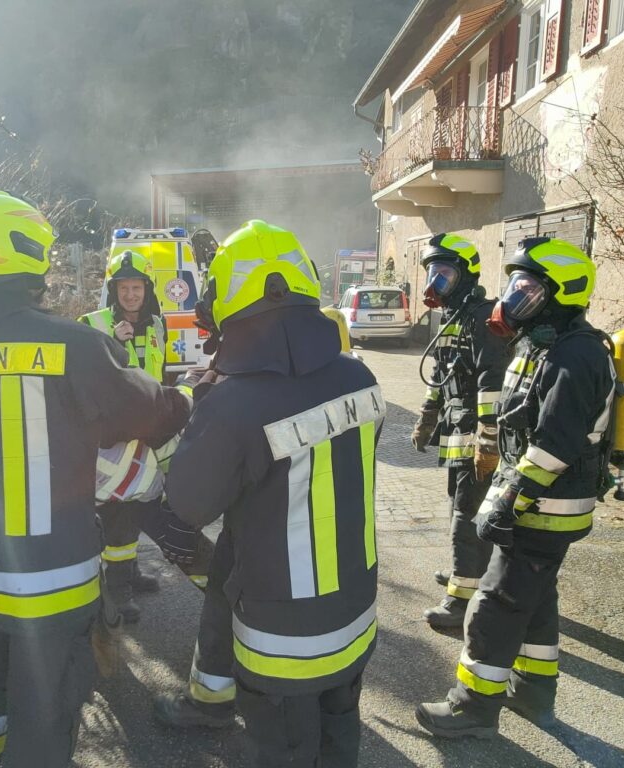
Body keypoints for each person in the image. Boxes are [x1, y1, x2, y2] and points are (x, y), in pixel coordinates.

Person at [0, 189, 191, 768]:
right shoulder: (73, 344)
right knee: (44, 712)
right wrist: (188, 399)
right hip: (57, 579)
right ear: (23, 251)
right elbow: (152, 414)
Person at [160, 219, 384, 766]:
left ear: (228, 300)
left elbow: (187, 505)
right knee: (338, 741)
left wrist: (201, 404)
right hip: (354, 613)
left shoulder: (233, 403)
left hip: (283, 642)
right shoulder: (360, 378)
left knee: (284, 751)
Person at [416, 238, 615, 738]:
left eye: (528, 289)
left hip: (545, 505)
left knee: (496, 603)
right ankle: (531, 691)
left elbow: (554, 444)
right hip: (541, 503)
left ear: (562, 294)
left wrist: (507, 499)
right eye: (515, 287)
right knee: (535, 600)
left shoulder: (576, 355)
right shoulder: (543, 345)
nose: (514, 298)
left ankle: (472, 709)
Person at [79, 250, 206, 621]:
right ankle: (117, 591)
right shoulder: (93, 324)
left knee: (138, 506)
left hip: (147, 432)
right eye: (123, 288)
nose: (130, 295)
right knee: (118, 511)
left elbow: (158, 372)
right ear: (113, 290)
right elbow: (84, 380)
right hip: (113, 438)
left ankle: (130, 573)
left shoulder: (157, 324)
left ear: (147, 289)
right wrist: (112, 342)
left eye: (136, 288)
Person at [411, 234, 512, 628]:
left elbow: (492, 376)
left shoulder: (484, 318)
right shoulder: (454, 316)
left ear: (466, 275)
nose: (436, 282)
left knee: (466, 513)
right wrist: (427, 415)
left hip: (476, 430)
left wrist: (488, 434)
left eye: (444, 273)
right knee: (459, 501)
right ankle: (467, 571)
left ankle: (460, 600)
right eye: (432, 273)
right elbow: (441, 371)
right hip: (457, 426)